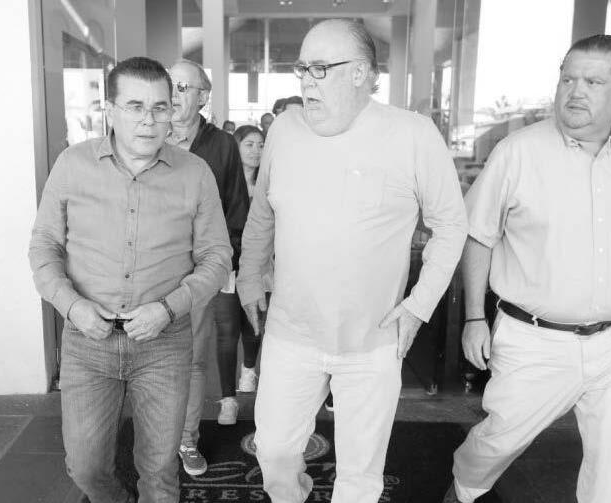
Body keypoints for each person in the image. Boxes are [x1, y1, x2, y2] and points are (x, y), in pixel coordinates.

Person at [443, 35, 611, 503]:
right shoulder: (518, 151)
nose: (575, 91)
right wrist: (474, 317)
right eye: (568, 79)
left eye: (593, 82)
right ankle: (463, 488)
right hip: (534, 339)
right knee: (498, 440)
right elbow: (479, 236)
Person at [237, 19, 467, 503]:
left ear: (361, 73)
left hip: (372, 341)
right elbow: (262, 213)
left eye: (320, 68)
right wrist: (250, 278)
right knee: (274, 451)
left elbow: (451, 225)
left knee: (361, 474)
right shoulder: (285, 129)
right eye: (302, 68)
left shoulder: (413, 134)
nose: (306, 81)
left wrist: (419, 305)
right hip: (291, 332)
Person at [28, 56, 232, 502]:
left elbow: (217, 258)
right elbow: (44, 247)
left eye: (160, 107)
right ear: (110, 110)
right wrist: (72, 306)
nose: (149, 120)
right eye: (135, 107)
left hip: (164, 342)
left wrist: (168, 309)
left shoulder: (195, 173)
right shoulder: (73, 165)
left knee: (159, 471)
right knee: (84, 467)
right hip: (88, 341)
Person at [167, 59, 251, 477]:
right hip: (151, 269)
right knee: (152, 360)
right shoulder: (148, 135)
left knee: (193, 359)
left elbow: (237, 207)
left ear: (203, 97)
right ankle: (155, 439)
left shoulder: (221, 145)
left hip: (199, 272)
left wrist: (224, 264)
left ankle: (186, 440)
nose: (174, 94)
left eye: (184, 87)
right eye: (170, 84)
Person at [212, 125, 273, 425]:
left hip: (261, 266)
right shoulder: (222, 184)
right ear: (235, 148)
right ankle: (227, 400)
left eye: (261, 144)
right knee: (226, 331)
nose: (256, 150)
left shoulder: (269, 184)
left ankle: (249, 371)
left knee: (254, 323)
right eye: (249, 144)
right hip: (228, 265)